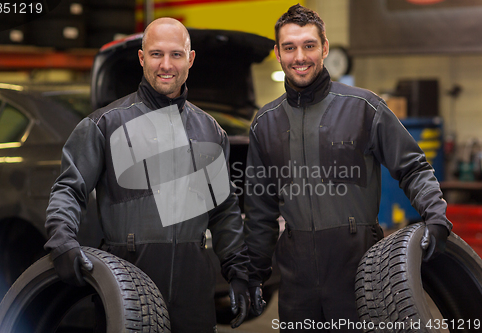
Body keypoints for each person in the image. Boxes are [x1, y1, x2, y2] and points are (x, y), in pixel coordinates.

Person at [244, 4, 452, 331]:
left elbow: (412, 166)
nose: (300, 56)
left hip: (358, 271)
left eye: (309, 46)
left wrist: (435, 215)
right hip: (296, 280)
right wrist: (252, 275)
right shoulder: (265, 123)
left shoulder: (364, 108)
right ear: (278, 53)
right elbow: (259, 211)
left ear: (324, 48)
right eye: (290, 47)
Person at [44, 17, 250, 332]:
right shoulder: (105, 126)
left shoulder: (211, 131)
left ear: (190, 59)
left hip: (193, 293)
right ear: (142, 58)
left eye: (176, 54)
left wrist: (238, 270)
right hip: (128, 287)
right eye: (156, 54)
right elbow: (69, 190)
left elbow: (223, 211)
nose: (166, 64)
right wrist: (62, 240)